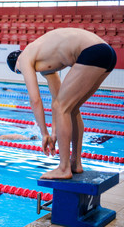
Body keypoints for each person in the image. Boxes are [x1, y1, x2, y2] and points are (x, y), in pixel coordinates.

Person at [6, 28, 117, 179]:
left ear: (16, 64)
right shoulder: (44, 59)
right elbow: (57, 98)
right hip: (107, 53)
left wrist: (43, 133)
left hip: (91, 52)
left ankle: (64, 168)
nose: (22, 73)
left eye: (19, 72)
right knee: (71, 107)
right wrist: (53, 132)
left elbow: (35, 100)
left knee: (63, 107)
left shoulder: (25, 57)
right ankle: (75, 163)